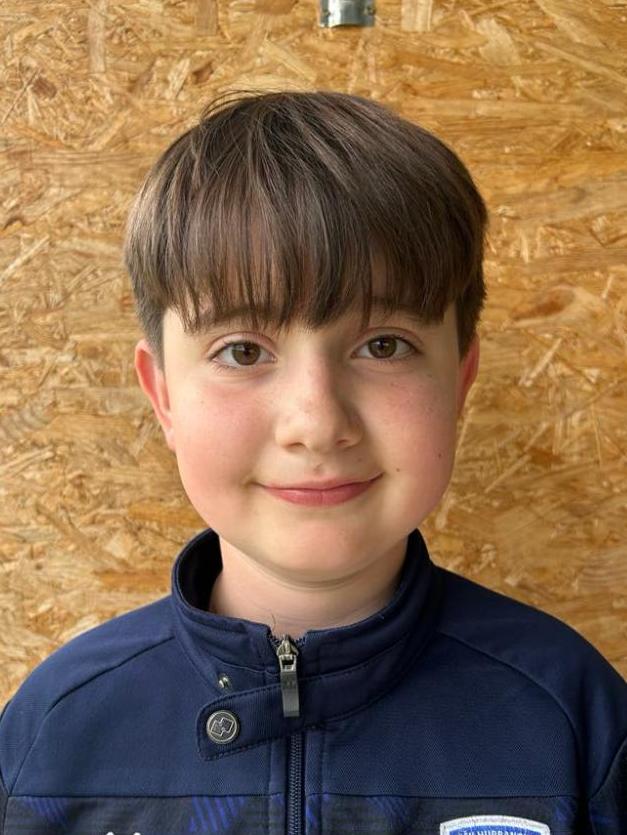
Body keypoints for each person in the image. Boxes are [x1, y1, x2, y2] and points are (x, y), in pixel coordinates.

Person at [0, 89, 625, 835]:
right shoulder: (52, 738)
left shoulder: (574, 722)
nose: (318, 424)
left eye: (383, 345)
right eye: (242, 351)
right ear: (162, 394)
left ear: (459, 380)